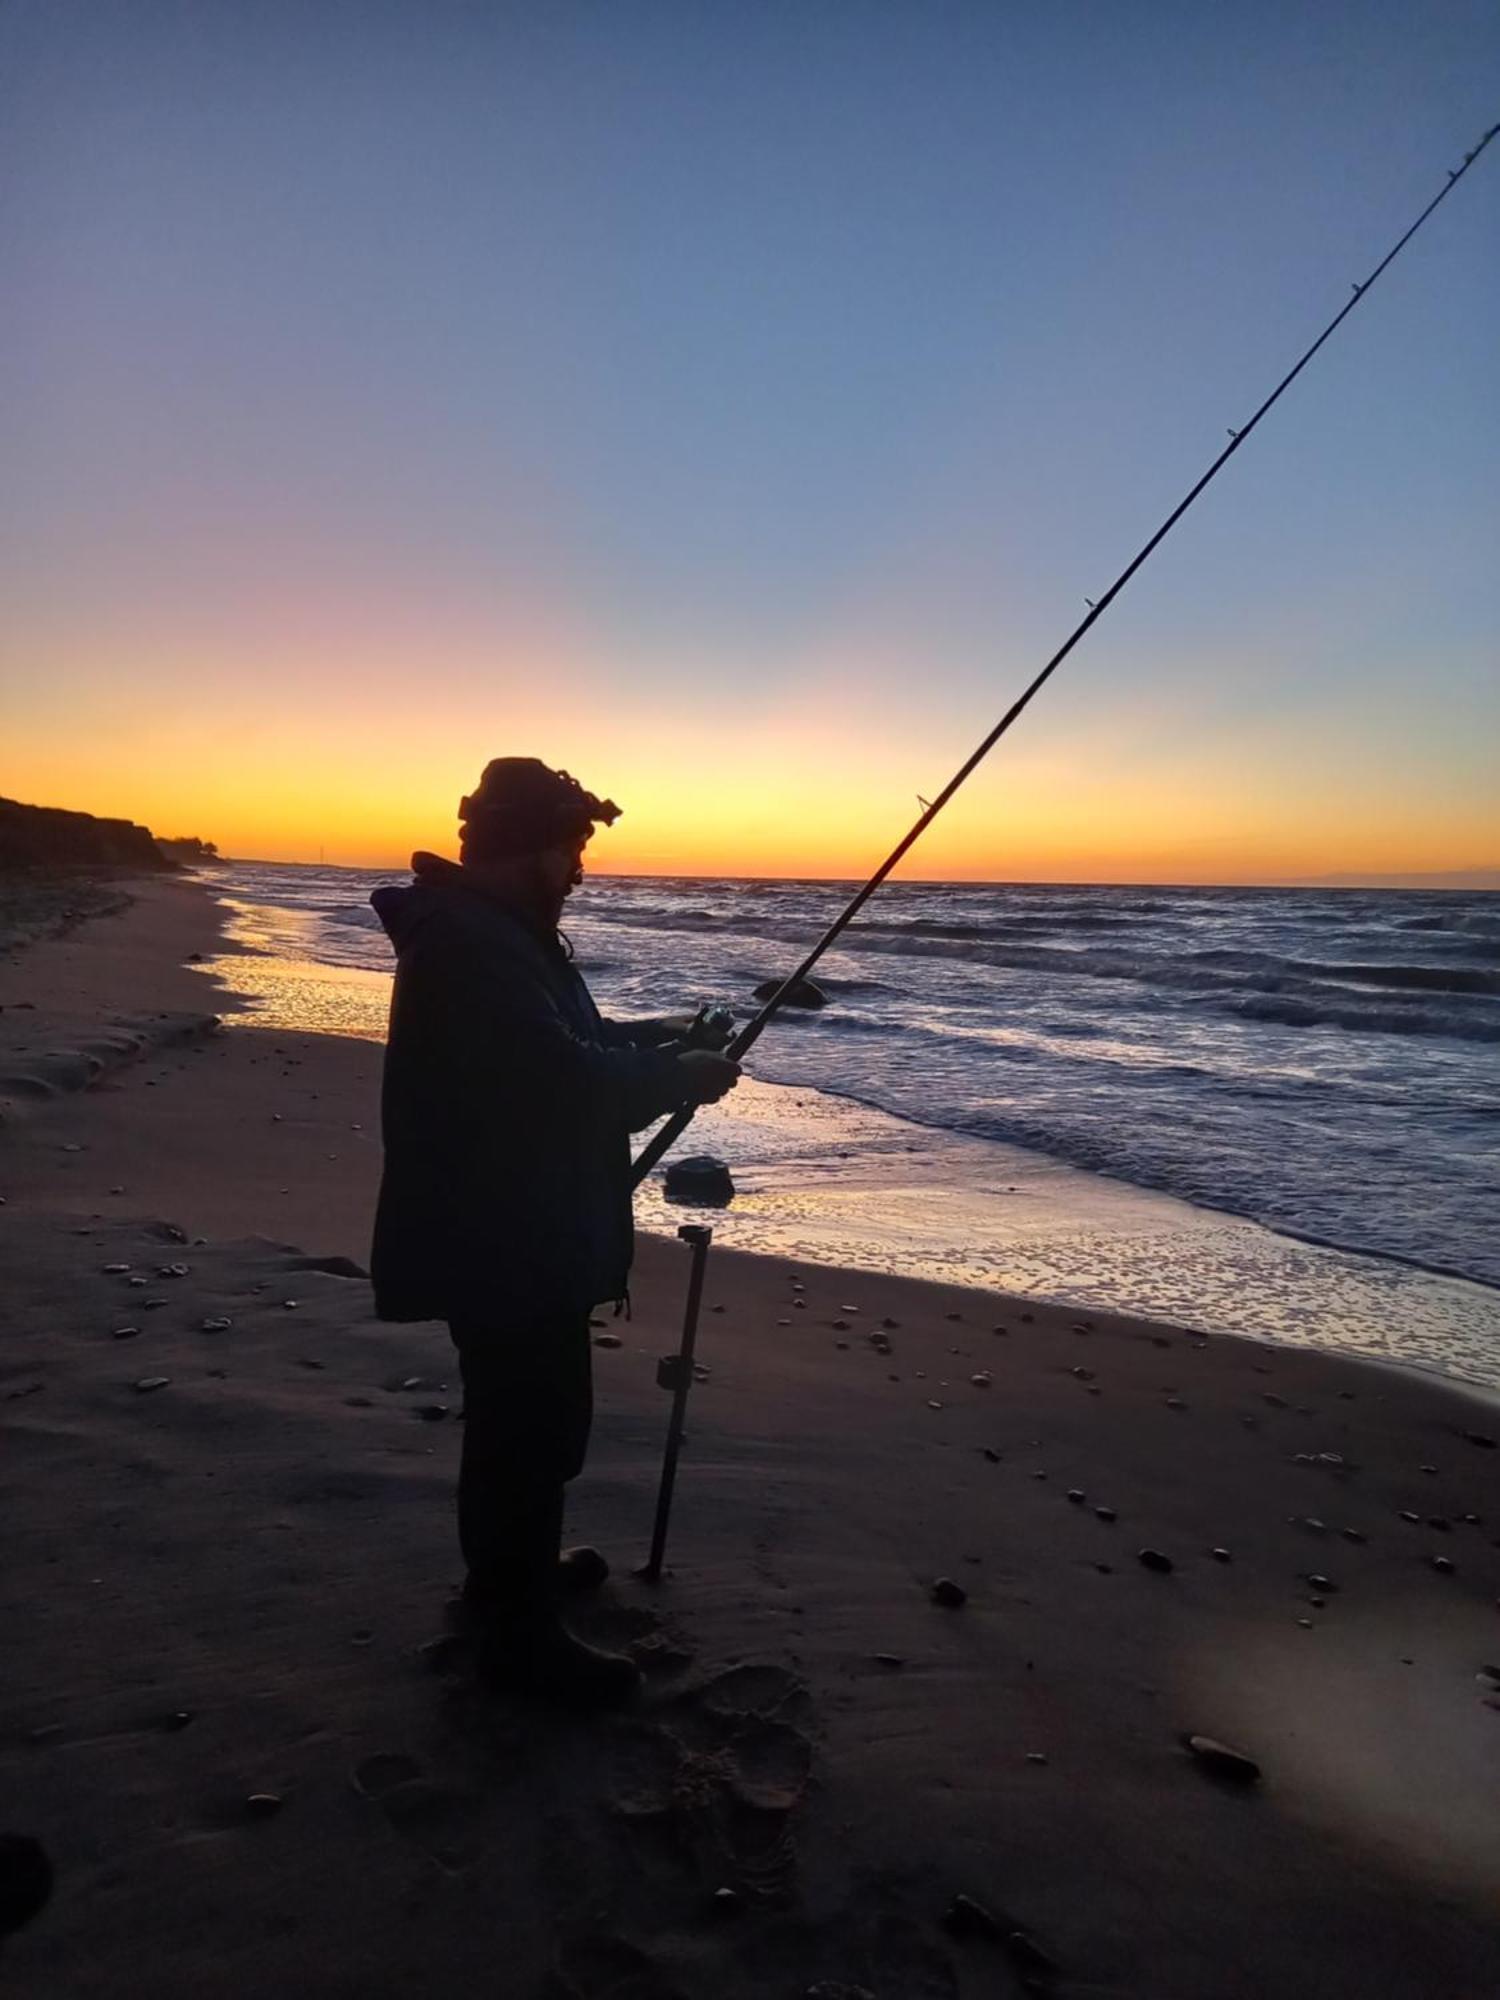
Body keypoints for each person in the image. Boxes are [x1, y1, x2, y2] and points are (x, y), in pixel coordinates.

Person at [369, 758, 740, 1707]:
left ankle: (510, 1579)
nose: (580, 867)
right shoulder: (469, 944)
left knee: (526, 1423)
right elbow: (559, 1085)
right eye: (569, 848)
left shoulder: (498, 933)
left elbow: (573, 1041)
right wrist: (681, 1077)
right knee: (525, 1429)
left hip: (513, 1224)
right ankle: (516, 1636)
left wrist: (664, 1039)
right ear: (524, 848)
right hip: (500, 1234)